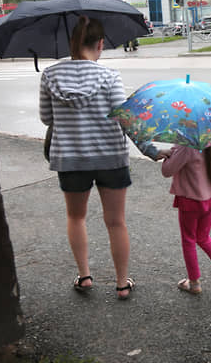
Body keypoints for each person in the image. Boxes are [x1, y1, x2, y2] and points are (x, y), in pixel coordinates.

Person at [40, 16, 160, 299]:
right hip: (110, 157)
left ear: (72, 43)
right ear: (100, 44)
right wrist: (150, 150)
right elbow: (125, 119)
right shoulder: (109, 76)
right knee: (116, 221)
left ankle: (85, 277)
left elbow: (46, 118)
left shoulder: (50, 75)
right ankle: (121, 284)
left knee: (76, 216)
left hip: (71, 158)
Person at [160, 143, 211, 294]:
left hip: (190, 201)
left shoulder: (186, 146)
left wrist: (170, 154)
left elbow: (167, 171)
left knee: (188, 240)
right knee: (203, 237)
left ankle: (194, 282)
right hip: (209, 198)